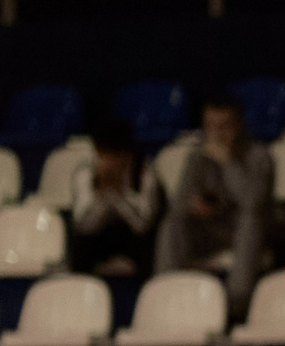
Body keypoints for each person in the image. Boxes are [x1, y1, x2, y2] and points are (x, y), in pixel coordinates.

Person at [154, 93, 274, 313]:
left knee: (250, 222)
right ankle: (165, 294)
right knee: (173, 222)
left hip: (249, 232)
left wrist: (228, 163)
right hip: (210, 229)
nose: (217, 134)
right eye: (211, 126)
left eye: (224, 126)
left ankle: (236, 303)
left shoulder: (259, 156)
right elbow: (178, 203)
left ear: (239, 126)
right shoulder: (198, 156)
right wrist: (193, 206)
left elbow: (252, 203)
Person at [67, 117, 161, 277]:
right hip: (99, 237)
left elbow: (143, 225)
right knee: (79, 245)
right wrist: (102, 194)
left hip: (132, 238)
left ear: (126, 154)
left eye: (114, 155)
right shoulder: (86, 173)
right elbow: (82, 225)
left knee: (148, 244)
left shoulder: (144, 172)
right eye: (103, 154)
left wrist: (118, 195)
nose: (109, 162)